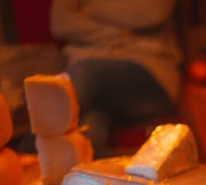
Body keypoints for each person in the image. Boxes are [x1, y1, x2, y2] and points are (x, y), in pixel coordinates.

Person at [50, 0, 181, 156]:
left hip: (147, 69)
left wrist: (89, 8)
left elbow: (150, 14)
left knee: (87, 73)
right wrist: (119, 32)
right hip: (90, 82)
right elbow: (60, 22)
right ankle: (81, 176)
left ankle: (31, 153)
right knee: (88, 124)